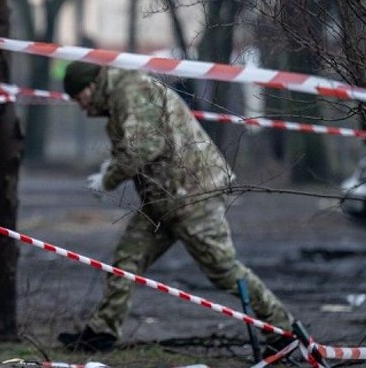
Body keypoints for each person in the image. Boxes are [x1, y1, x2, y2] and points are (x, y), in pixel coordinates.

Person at [57, 61, 293, 353]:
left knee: (223, 269)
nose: (83, 107)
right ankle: (102, 332)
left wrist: (109, 178)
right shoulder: (122, 94)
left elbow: (145, 147)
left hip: (193, 194)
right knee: (126, 260)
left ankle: (284, 332)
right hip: (163, 199)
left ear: (91, 86)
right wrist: (112, 168)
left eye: (81, 98)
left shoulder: (131, 90)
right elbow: (138, 145)